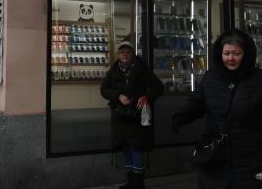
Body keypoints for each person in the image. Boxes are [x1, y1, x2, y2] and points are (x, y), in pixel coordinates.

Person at [172, 28, 262, 189]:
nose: (231, 58)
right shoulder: (211, 77)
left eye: (236, 53)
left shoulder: (258, 80)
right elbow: (197, 100)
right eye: (226, 53)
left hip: (248, 159)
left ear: (246, 54)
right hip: (214, 157)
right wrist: (182, 115)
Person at [101, 41, 164, 189]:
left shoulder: (142, 69)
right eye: (122, 51)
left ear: (132, 53)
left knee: (136, 148)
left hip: (136, 116)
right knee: (125, 148)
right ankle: (130, 183)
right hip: (120, 116)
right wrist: (118, 96)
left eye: (127, 51)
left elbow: (158, 87)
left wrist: (146, 97)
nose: (124, 54)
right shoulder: (114, 69)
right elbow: (104, 89)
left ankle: (138, 184)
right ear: (119, 53)